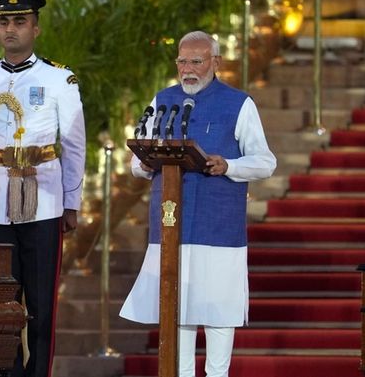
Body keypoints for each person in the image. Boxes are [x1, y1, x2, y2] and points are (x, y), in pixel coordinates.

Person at [119, 30, 277, 377]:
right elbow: (135, 158)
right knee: (178, 308)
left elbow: (266, 161)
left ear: (215, 62)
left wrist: (230, 165)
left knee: (219, 309)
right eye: (182, 61)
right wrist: (144, 164)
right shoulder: (162, 100)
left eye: (196, 61)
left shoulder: (239, 103)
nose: (187, 68)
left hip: (218, 226)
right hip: (171, 222)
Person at [0, 0, 85, 377]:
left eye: (19, 21)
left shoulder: (58, 78)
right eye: (4, 22)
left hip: (42, 197)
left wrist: (72, 201)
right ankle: (7, 372)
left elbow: (73, 144)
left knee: (40, 300)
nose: (10, 29)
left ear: (35, 27)